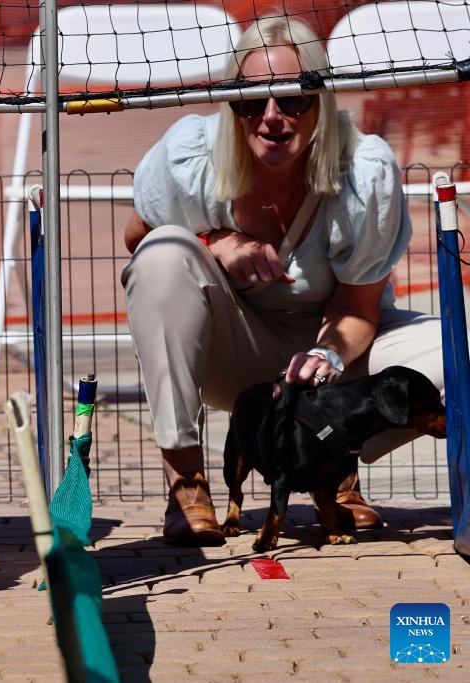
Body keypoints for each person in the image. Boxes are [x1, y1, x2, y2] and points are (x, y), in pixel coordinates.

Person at [121, 16, 444, 547]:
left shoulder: (364, 171)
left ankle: (333, 471)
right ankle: (187, 482)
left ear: (322, 101)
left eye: (293, 99)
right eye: (252, 100)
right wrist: (217, 242)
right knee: (162, 254)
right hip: (237, 353)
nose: (271, 117)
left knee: (458, 345)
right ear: (231, 104)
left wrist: (330, 358)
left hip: (336, 358)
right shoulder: (193, 155)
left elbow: (359, 310)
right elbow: (137, 237)